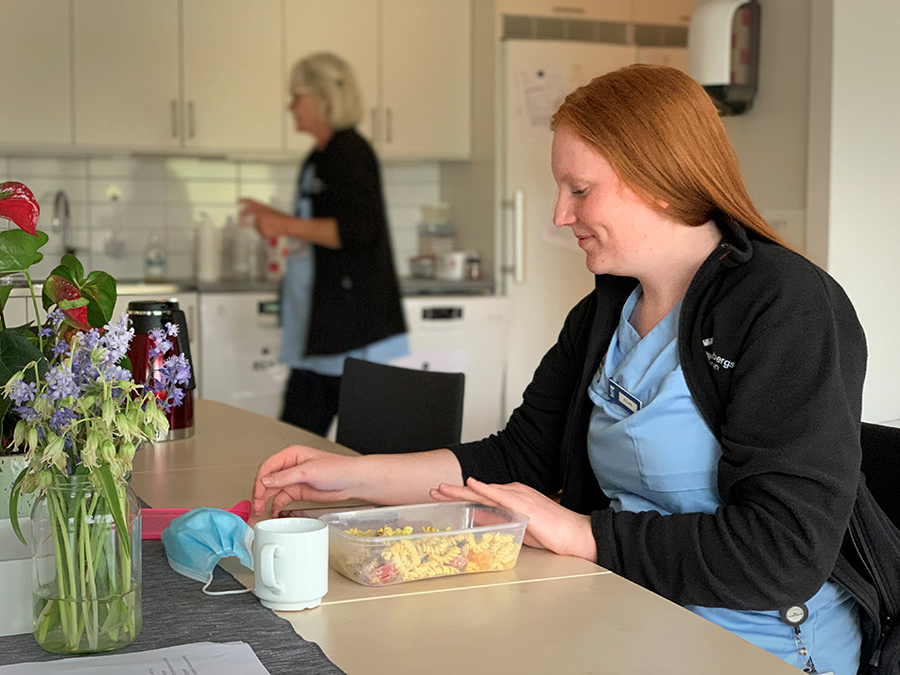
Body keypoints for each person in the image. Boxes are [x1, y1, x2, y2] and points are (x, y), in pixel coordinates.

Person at [252, 64, 888, 673]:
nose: (560, 215)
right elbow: (518, 460)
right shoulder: (607, 311)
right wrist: (345, 478)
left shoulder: (786, 305)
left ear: (660, 181)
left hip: (758, 645)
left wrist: (585, 534)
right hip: (626, 607)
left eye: (579, 190)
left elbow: (783, 551)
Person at [239, 52, 407, 436]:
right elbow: (321, 221)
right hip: (323, 325)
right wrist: (274, 216)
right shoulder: (321, 154)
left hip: (348, 331)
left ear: (322, 98)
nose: (290, 106)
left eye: (297, 96)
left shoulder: (348, 152)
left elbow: (357, 229)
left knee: (315, 439)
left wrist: (281, 222)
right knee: (298, 435)